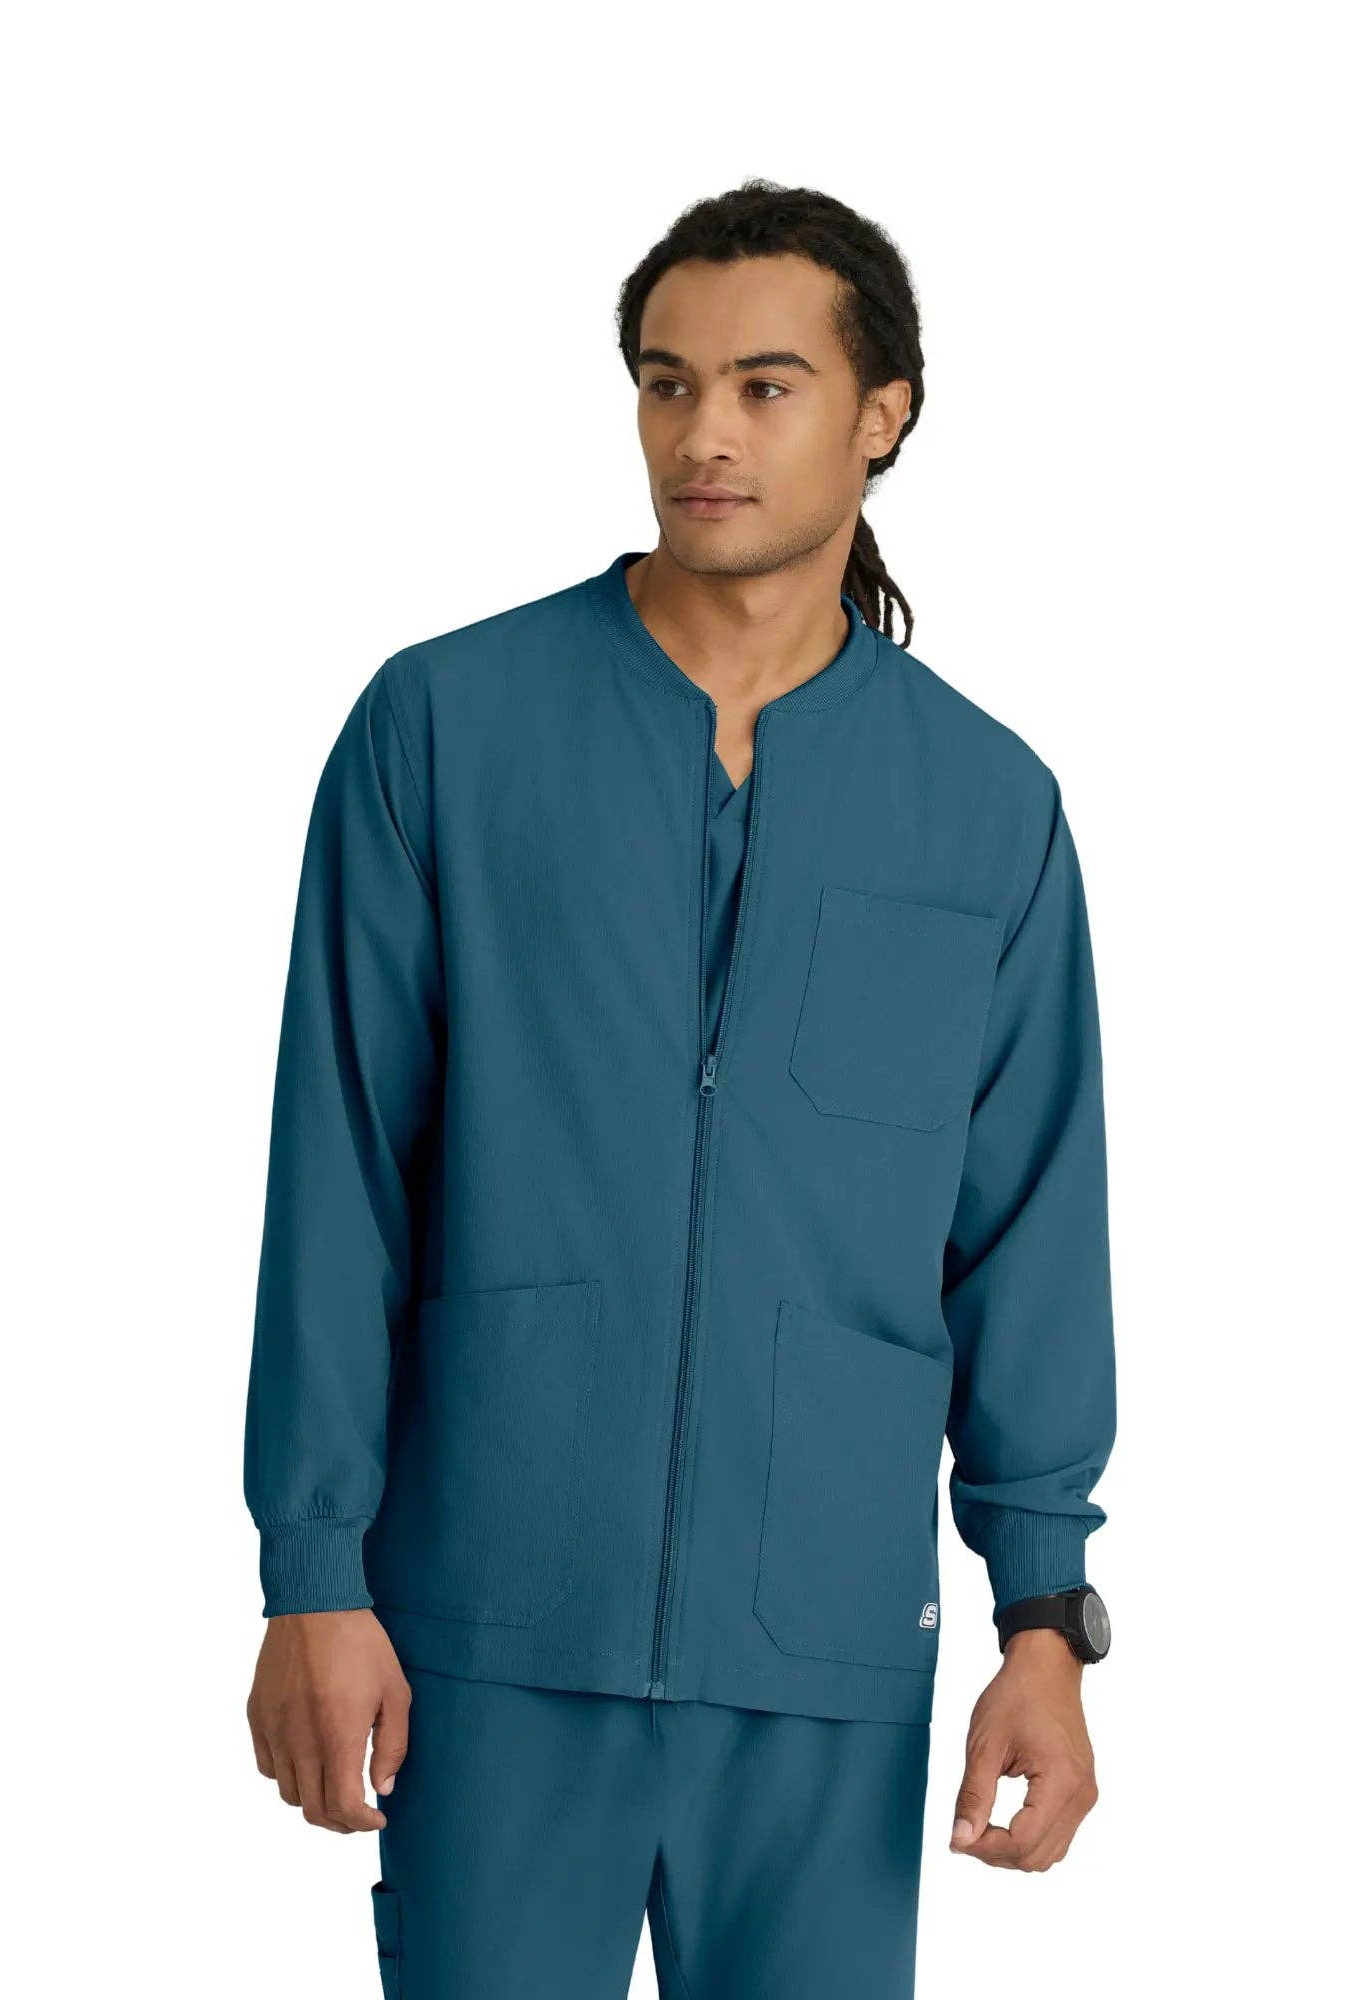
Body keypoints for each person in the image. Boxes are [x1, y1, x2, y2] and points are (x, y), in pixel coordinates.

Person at [242, 178, 1118, 2000]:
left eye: (765, 387)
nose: (702, 433)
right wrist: (312, 1570)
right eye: (667, 382)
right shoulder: (446, 727)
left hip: (824, 1652)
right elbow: (341, 1174)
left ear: (883, 416)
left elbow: (1028, 1233)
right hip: (490, 1628)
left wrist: (1042, 1617)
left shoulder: (987, 809)